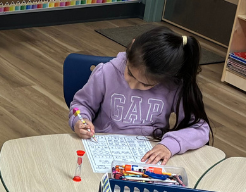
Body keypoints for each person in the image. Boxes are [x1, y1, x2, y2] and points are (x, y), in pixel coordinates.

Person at [69, 26, 212, 165]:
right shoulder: (106, 72)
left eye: (146, 85)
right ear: (131, 47)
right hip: (101, 148)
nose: (132, 85)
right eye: (130, 73)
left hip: (149, 155)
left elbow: (200, 128)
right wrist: (79, 121)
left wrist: (170, 145)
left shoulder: (173, 86)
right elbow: (81, 105)